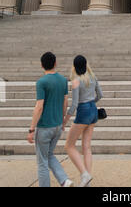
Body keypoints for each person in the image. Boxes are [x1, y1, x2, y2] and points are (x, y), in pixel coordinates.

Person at [27, 52, 74, 188]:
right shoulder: (63, 80)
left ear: (42, 65)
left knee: (42, 162)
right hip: (57, 125)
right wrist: (63, 120)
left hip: (44, 127)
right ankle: (64, 180)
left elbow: (39, 107)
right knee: (49, 155)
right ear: (55, 63)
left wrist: (31, 129)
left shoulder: (41, 82)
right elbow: (65, 102)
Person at [63, 56, 103, 188]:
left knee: (69, 145)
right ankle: (87, 181)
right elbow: (100, 95)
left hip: (83, 110)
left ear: (74, 66)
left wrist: (65, 120)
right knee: (87, 147)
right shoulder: (92, 77)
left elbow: (74, 105)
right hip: (93, 109)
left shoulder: (76, 81)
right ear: (86, 65)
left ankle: (84, 174)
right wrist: (92, 102)